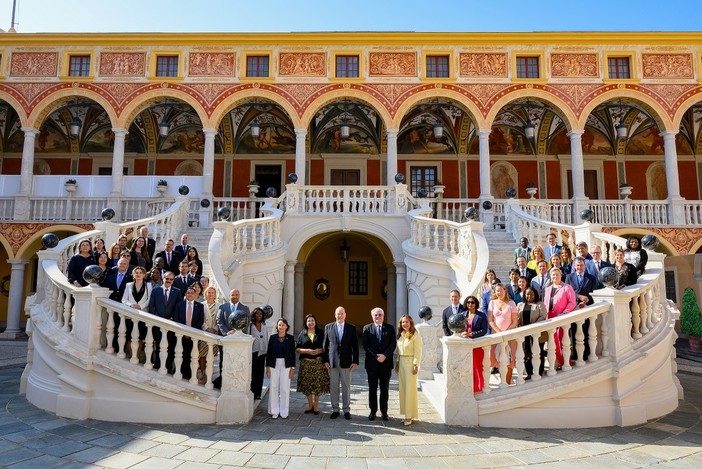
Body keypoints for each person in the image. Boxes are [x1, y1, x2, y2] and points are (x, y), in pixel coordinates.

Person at [323, 306, 359, 420]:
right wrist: (325, 360)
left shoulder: (351, 328)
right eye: (338, 314)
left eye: (342, 313)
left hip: (346, 362)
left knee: (346, 387)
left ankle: (346, 410)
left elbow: (355, 346)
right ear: (335, 315)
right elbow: (325, 346)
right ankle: (335, 409)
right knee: (334, 386)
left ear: (345, 314)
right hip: (332, 362)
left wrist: (355, 361)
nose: (340, 316)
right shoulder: (328, 327)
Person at [362, 307, 397, 421]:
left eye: (379, 315)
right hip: (372, 364)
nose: (377, 317)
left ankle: (384, 412)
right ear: (372, 316)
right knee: (372, 388)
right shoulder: (367, 328)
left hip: (386, 364)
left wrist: (385, 355)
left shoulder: (390, 328)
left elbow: (393, 344)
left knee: (384, 388)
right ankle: (373, 411)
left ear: (383, 316)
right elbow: (366, 345)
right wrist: (376, 356)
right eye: (375, 315)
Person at [542, 267, 577, 368]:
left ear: (561, 275)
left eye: (557, 274)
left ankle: (565, 361)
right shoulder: (548, 289)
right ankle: (557, 362)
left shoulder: (567, 287)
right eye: (553, 275)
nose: (555, 276)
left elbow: (572, 302)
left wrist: (565, 312)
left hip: (561, 317)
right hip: (550, 317)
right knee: (552, 341)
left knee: (561, 340)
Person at [296, 314, 329, 415]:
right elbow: (297, 349)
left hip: (318, 362)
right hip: (306, 363)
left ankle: (316, 406)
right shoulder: (302, 334)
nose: (311, 322)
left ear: (315, 322)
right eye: (308, 321)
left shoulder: (321, 333)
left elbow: (327, 346)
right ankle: (310, 405)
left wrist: (320, 350)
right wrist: (307, 351)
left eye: (312, 320)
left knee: (318, 384)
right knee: (307, 385)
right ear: (306, 323)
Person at [147, 272, 181, 370]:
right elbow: (152, 307)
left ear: (173, 281)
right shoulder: (155, 290)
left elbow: (178, 307)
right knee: (158, 346)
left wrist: (172, 319)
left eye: (171, 279)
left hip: (171, 324)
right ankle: (157, 365)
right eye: (167, 279)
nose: (169, 281)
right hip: (158, 324)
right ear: (163, 278)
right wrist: (159, 319)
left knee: (170, 347)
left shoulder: (177, 291)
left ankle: (168, 367)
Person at [565, 257, 597, 361]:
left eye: (581, 265)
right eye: (577, 265)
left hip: (587, 308)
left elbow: (594, 292)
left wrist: (587, 299)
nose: (579, 267)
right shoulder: (569, 277)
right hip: (573, 308)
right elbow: (567, 292)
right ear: (574, 266)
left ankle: (587, 353)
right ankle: (576, 354)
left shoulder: (591, 277)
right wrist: (579, 296)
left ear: (585, 266)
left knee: (587, 329)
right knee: (574, 330)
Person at [395, 314, 422, 426]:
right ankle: (406, 413)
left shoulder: (415, 335)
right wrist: (397, 363)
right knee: (403, 389)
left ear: (410, 323)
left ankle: (410, 416)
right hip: (402, 363)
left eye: (406, 322)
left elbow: (418, 351)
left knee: (410, 390)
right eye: (402, 322)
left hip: (410, 364)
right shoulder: (401, 335)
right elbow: (399, 351)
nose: (404, 324)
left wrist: (416, 364)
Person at [487, 284, 518, 383]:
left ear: (505, 291)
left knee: (509, 359)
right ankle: (502, 381)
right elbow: (490, 320)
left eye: (501, 290)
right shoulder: (492, 303)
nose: (499, 293)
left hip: (509, 336)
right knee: (497, 359)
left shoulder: (511, 303)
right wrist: (499, 332)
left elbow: (515, 322)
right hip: (496, 335)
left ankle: (507, 382)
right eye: (497, 291)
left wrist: (506, 332)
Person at [121, 266, 152, 362]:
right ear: (133, 275)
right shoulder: (128, 285)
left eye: (140, 273)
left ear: (144, 275)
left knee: (140, 338)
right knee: (131, 337)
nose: (138, 274)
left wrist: (141, 306)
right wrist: (131, 305)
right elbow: (124, 300)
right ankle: (131, 356)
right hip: (130, 315)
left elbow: (149, 300)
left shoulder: (149, 285)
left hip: (143, 315)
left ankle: (137, 357)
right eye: (136, 273)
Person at [266, 318, 296, 419]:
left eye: (283, 325)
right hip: (273, 364)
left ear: (286, 326)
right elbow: (269, 353)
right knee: (274, 387)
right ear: (277, 327)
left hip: (286, 365)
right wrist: (267, 367)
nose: (281, 327)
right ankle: (274, 411)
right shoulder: (272, 338)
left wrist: (293, 368)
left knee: (284, 388)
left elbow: (293, 354)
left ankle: (284, 411)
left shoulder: (290, 338)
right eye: (279, 325)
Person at [173, 286, 205, 380]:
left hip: (193, 335)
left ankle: (190, 375)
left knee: (192, 356)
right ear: (185, 294)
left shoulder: (199, 306)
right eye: (188, 293)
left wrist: (191, 331)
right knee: (181, 355)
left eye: (192, 293)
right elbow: (176, 319)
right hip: (181, 335)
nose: (190, 294)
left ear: (195, 295)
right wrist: (184, 331)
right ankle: (180, 372)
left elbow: (200, 320)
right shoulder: (179, 305)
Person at [516, 287, 548, 379]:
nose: (530, 296)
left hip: (536, 333)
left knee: (538, 352)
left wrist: (533, 327)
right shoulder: (520, 305)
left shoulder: (539, 304)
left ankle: (539, 371)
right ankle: (529, 372)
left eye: (532, 294)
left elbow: (543, 316)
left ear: (535, 295)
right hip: (524, 333)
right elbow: (517, 318)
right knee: (526, 353)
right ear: (525, 295)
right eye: (527, 294)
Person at [459, 295, 489, 391]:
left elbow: (484, 330)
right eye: (468, 302)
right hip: (464, 345)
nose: (470, 304)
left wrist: (472, 334)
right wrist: (461, 333)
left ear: (476, 304)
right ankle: (467, 387)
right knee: (466, 367)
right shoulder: (462, 315)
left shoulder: (481, 315)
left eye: (472, 302)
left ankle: (478, 387)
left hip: (476, 344)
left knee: (477, 366)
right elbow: (458, 328)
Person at [198, 286, 221, 385]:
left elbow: (220, 320)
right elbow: (199, 319)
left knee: (210, 356)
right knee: (202, 355)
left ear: (215, 295)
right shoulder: (201, 305)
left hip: (214, 334)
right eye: (209, 292)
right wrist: (206, 328)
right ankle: (204, 374)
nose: (210, 294)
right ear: (205, 294)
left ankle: (209, 374)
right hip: (204, 333)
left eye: (212, 293)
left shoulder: (219, 306)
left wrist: (214, 329)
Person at [249, 307, 269, 400]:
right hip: (253, 351)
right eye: (257, 314)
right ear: (254, 315)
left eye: (260, 314)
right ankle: (252, 392)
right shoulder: (250, 325)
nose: (258, 315)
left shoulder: (264, 325)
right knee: (253, 373)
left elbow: (266, 337)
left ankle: (258, 393)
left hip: (262, 351)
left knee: (260, 373)